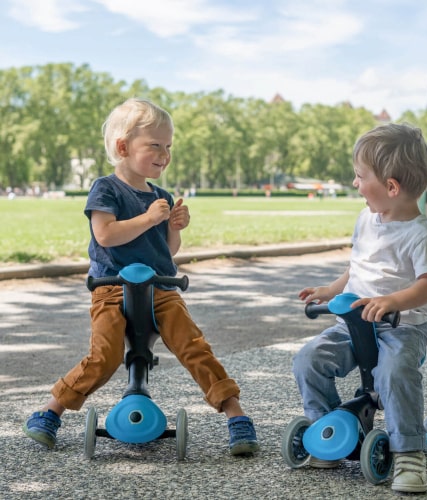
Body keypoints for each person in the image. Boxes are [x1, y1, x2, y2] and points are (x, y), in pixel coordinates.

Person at [23, 97, 259, 456]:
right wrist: (150, 218)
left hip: (161, 288)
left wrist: (174, 228)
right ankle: (51, 409)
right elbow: (106, 235)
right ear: (123, 147)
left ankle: (235, 414)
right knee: (104, 355)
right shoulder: (106, 189)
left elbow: (167, 252)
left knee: (193, 346)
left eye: (168, 147)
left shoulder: (161, 196)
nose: (164, 154)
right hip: (111, 288)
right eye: (155, 145)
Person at [293, 123, 427, 493]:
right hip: (352, 323)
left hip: (401, 327)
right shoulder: (366, 220)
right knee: (308, 359)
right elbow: (359, 265)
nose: (356, 184)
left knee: (393, 373)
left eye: (361, 177)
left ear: (391, 187)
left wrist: (392, 301)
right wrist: (331, 289)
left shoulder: (420, 234)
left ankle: (409, 454)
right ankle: (330, 432)